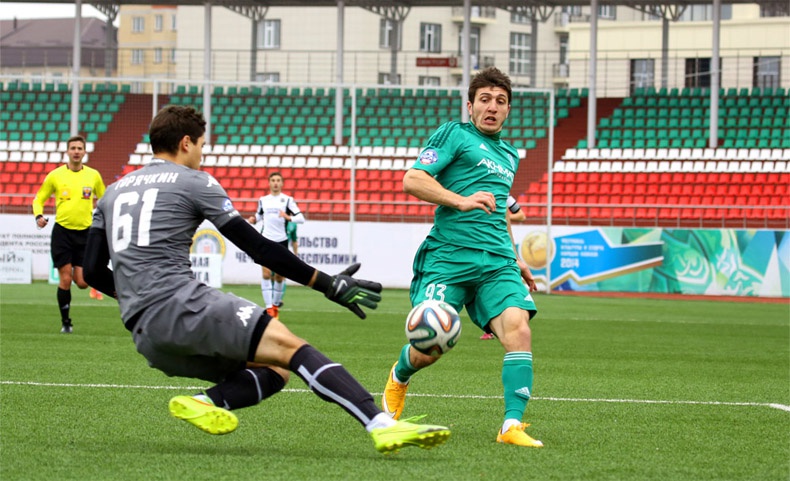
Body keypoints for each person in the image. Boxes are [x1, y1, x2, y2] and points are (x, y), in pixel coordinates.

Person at [83, 105, 450, 454]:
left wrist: (139, 299)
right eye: (201, 147)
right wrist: (328, 284)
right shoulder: (195, 182)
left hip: (145, 333)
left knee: (276, 367)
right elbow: (260, 247)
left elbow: (93, 271)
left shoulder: (113, 192)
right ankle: (381, 425)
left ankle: (205, 401)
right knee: (294, 347)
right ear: (186, 143)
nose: (202, 156)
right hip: (182, 305)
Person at [380, 67, 543, 448]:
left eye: (501, 102)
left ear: (508, 110)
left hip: (497, 261)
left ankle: (511, 427)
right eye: (485, 99)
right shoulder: (453, 134)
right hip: (449, 258)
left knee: (519, 329)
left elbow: (500, 210)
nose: (492, 107)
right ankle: (399, 377)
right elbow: (413, 178)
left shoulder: (509, 154)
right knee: (430, 346)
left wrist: (516, 256)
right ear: (470, 105)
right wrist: (461, 201)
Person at [32, 135, 106, 333]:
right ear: (67, 151)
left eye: (79, 148)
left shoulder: (93, 175)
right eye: (72, 148)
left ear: (84, 152)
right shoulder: (55, 176)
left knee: (82, 282)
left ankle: (80, 284)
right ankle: (66, 322)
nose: (76, 151)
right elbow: (39, 198)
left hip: (85, 234)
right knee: (65, 280)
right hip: (62, 233)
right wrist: (38, 215)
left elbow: (105, 198)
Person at [247, 172, 304, 318]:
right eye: (273, 180)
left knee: (279, 276)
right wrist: (254, 219)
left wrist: (288, 217)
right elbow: (259, 215)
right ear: (269, 183)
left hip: (282, 241)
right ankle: (269, 309)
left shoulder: (287, 200)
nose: (276, 183)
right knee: (266, 273)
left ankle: (275, 306)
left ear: (282, 183)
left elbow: (301, 218)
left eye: (278, 180)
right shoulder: (263, 200)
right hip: (266, 239)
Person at [481, 194, 525, 340]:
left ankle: (509, 323)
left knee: (499, 285)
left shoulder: (505, 195)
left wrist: (502, 217)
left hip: (501, 242)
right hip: (482, 240)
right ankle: (492, 327)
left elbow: (521, 215)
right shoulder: (475, 189)